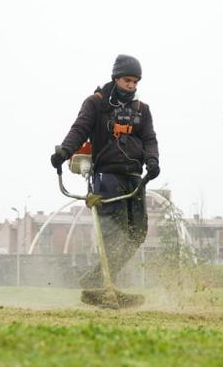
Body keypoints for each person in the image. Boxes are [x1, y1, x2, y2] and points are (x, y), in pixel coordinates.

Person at [50, 54, 160, 304]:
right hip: (106, 178)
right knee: (115, 234)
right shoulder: (96, 103)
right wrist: (64, 152)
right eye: (127, 81)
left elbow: (149, 139)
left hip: (134, 178)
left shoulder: (142, 110)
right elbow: (80, 129)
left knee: (137, 233)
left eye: (135, 82)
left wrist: (152, 161)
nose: (131, 86)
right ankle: (107, 290)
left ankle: (95, 280)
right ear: (116, 78)